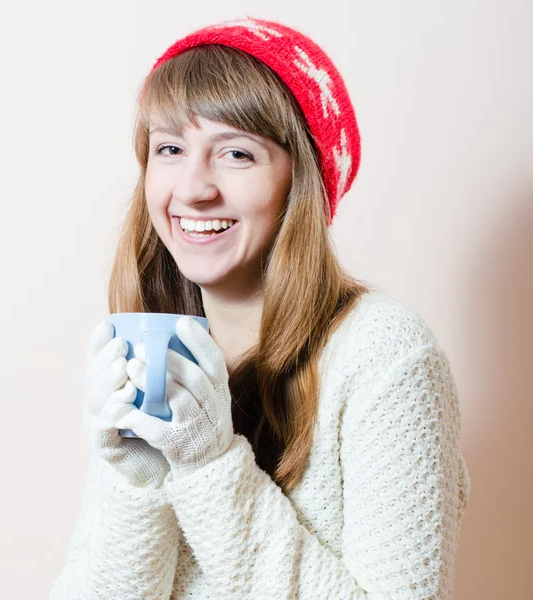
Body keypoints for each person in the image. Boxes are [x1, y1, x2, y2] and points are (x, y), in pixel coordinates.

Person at [50, 16, 471, 600]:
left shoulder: (385, 356)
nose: (193, 188)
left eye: (237, 154)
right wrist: (137, 480)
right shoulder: (153, 353)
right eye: (170, 148)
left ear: (300, 183)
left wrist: (208, 466)